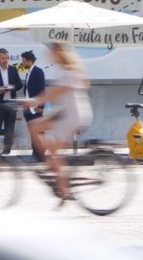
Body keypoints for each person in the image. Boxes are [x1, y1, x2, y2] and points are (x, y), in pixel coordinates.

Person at [23, 42, 93, 200]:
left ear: (58, 53)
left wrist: (35, 101)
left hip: (72, 116)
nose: (48, 55)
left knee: (54, 151)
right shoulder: (65, 70)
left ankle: (63, 189)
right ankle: (50, 166)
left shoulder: (70, 71)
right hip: (64, 112)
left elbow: (55, 92)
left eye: (50, 52)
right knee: (33, 127)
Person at [18, 50, 46, 162]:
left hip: (36, 107)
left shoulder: (38, 72)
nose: (22, 63)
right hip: (29, 108)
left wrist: (41, 106)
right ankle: (35, 152)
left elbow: (42, 90)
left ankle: (41, 154)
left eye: (24, 61)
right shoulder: (28, 72)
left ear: (29, 61)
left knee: (39, 131)